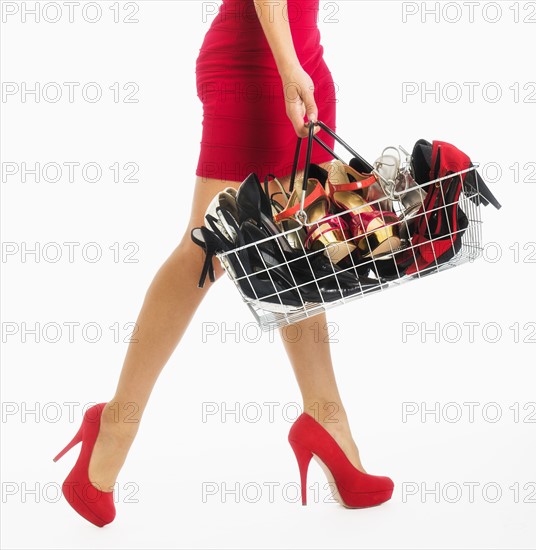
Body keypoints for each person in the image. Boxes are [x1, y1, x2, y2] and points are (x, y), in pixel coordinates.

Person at [53, 0, 393, 526]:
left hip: (301, 64)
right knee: (208, 249)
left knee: (302, 251)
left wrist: (298, 66)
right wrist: (287, 67)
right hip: (258, 67)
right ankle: (116, 423)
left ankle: (329, 423)